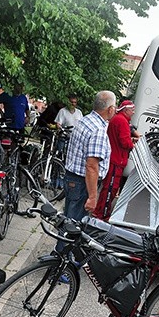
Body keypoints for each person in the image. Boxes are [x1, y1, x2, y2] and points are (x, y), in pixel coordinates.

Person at [61, 90, 116, 227]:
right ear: (110, 109)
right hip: (82, 183)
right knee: (74, 226)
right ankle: (62, 249)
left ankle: (62, 247)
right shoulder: (98, 130)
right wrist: (92, 197)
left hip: (72, 179)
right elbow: (91, 166)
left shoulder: (84, 120)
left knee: (69, 220)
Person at [93, 100, 140, 221]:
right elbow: (124, 142)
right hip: (116, 160)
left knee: (108, 188)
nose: (133, 112)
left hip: (114, 158)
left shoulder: (118, 119)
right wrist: (132, 144)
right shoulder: (122, 121)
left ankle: (100, 211)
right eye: (132, 110)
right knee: (110, 189)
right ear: (126, 110)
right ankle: (102, 215)